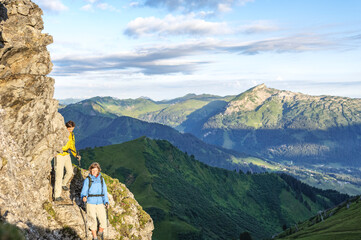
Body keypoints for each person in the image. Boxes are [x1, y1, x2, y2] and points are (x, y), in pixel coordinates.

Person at [81, 162, 109, 240]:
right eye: (93, 170)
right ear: (90, 170)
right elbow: (84, 190)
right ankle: (95, 237)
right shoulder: (88, 179)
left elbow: (104, 191)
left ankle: (100, 233)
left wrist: (106, 201)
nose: (94, 172)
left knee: (103, 221)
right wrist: (84, 196)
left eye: (96, 170)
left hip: (100, 202)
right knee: (92, 220)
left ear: (98, 170)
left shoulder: (101, 179)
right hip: (90, 202)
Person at [54, 120, 81, 201]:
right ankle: (56, 195)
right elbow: (54, 143)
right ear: (66, 127)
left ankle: (63, 184)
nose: (71, 131)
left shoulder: (72, 135)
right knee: (59, 175)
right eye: (69, 129)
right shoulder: (61, 134)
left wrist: (76, 155)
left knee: (69, 172)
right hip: (59, 155)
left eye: (72, 129)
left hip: (67, 154)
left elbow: (72, 146)